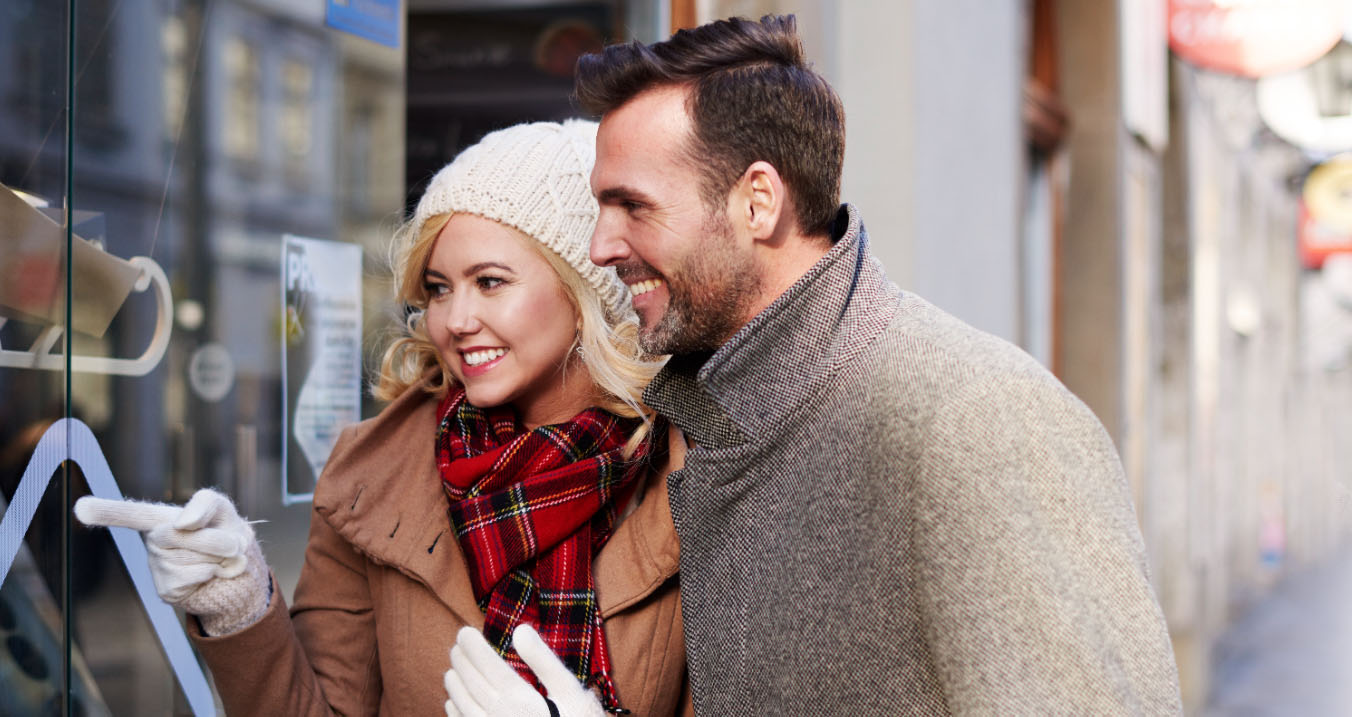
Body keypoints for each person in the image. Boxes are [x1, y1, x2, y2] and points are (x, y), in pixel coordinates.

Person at [571, 15, 1184, 715]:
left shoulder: (976, 420)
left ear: (758, 202)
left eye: (631, 205)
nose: (601, 244)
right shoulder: (717, 418)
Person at [74, 120, 692, 716]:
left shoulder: (694, 480)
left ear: (586, 291)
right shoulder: (373, 474)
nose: (454, 319)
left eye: (490, 281)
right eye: (439, 287)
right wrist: (239, 608)